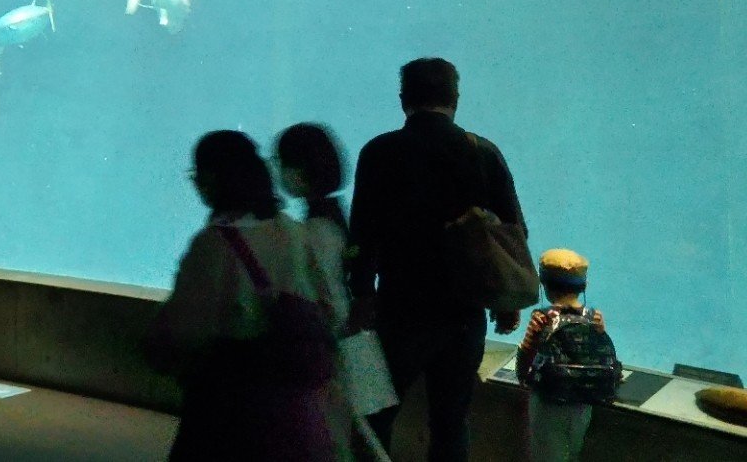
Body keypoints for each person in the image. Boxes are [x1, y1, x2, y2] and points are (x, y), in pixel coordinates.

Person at [349, 57, 527, 462]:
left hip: (398, 310)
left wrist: (360, 295)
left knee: (377, 415)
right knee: (451, 422)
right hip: (463, 313)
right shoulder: (483, 152)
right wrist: (506, 301)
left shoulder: (379, 152)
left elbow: (363, 233)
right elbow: (512, 231)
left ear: (402, 99)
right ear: (455, 98)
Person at [147, 130, 343, 461]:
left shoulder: (213, 245)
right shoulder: (295, 232)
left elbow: (183, 330)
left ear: (211, 179)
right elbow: (329, 307)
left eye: (198, 175)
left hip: (230, 406)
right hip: (298, 411)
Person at [278, 122, 382, 460]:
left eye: (283, 163)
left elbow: (328, 299)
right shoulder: (331, 219)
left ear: (301, 170)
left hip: (333, 353)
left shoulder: (316, 230)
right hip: (347, 347)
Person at [517, 250, 618, 462]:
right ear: (584, 286)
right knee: (573, 450)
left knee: (546, 452)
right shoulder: (595, 317)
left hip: (549, 400)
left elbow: (527, 350)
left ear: (544, 284)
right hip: (584, 401)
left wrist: (522, 375)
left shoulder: (542, 317)